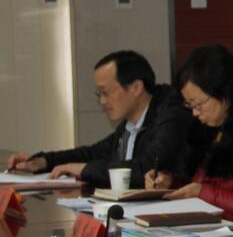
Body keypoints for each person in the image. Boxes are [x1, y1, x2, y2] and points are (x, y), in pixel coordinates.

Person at [145, 45, 233, 229]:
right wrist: (170, 182)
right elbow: (196, 184)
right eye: (189, 105)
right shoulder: (206, 128)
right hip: (207, 230)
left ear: (224, 94)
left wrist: (202, 194)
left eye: (198, 104)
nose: (195, 113)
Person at [5, 50, 192, 189]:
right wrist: (43, 161)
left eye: (106, 92)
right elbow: (95, 153)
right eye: (99, 94)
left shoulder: (172, 116)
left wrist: (84, 169)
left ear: (136, 87)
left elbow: (144, 169)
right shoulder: (130, 125)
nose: (102, 101)